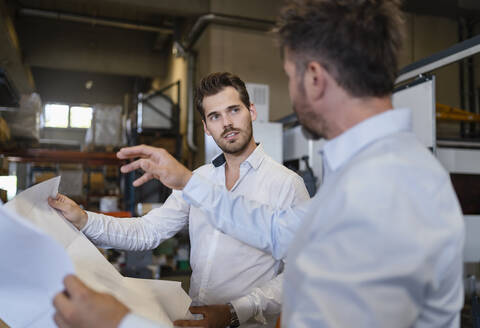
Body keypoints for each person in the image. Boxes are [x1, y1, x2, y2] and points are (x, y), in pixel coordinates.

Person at [54, 0, 465, 327]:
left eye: (289, 74)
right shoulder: (373, 173)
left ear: (315, 77)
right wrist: (91, 216)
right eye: (214, 116)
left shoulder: (381, 188)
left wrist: (120, 324)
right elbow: (273, 230)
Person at [50, 72, 309, 328]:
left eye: (234, 110)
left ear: (251, 111)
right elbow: (147, 231)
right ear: (206, 128)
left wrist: (234, 312)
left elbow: (300, 273)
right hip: (194, 319)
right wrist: (83, 219)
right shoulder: (198, 179)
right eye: (215, 116)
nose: (227, 123)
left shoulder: (286, 184)